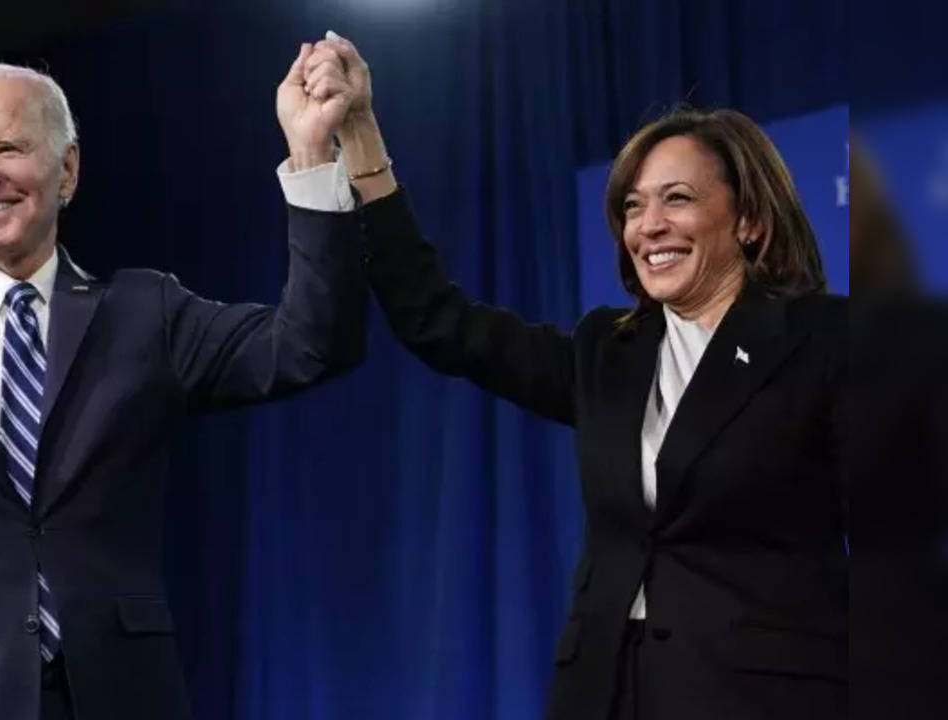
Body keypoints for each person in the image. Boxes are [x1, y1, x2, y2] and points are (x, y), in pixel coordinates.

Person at [0, 47, 366, 720]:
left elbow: (309, 347)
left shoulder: (145, 313)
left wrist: (310, 157)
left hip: (122, 695)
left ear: (66, 167)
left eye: (7, 147)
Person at [301, 34, 846, 720]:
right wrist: (361, 142)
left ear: (750, 220)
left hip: (761, 697)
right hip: (604, 693)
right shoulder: (606, 353)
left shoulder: (825, 341)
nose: (649, 227)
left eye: (676, 199)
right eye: (631, 207)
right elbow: (436, 320)